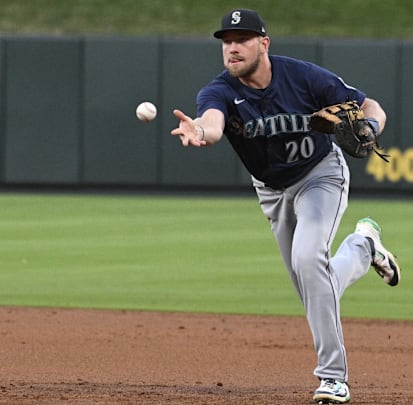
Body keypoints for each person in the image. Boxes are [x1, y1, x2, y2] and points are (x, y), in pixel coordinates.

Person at [170, 9, 401, 404]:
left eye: (242, 39)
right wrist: (201, 131)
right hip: (272, 191)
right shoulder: (219, 92)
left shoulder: (304, 77)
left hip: (320, 176)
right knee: (313, 290)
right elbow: (212, 121)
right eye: (227, 41)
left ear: (264, 44)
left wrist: (371, 128)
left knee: (310, 261)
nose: (233, 47)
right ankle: (364, 248)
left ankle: (333, 379)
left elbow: (372, 107)